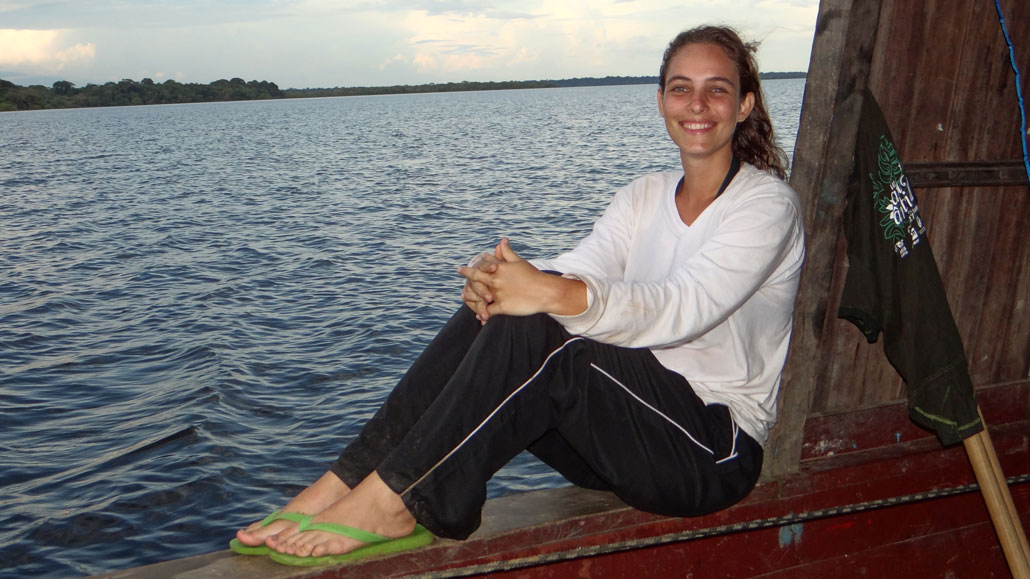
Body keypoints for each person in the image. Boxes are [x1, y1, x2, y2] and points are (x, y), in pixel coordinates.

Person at [232, 24, 805, 566]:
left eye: (717, 90)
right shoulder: (643, 196)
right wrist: (503, 279)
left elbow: (684, 307)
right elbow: (582, 266)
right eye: (682, 89)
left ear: (745, 105)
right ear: (661, 101)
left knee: (542, 324)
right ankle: (343, 483)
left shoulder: (765, 206)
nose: (697, 105)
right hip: (618, 439)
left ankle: (393, 502)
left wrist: (546, 293)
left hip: (707, 451)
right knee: (505, 311)